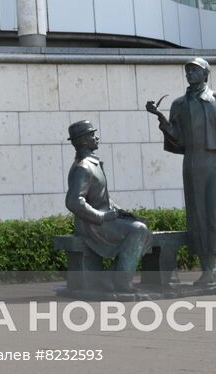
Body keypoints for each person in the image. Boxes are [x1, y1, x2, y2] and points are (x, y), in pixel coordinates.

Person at [146, 57, 216, 287]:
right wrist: (162, 119)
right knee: (198, 218)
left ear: (206, 74)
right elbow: (177, 139)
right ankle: (208, 271)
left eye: (194, 70)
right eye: (187, 71)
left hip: (215, 165)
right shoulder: (179, 104)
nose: (190, 74)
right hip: (192, 165)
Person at [64, 119, 153, 298]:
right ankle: (122, 281)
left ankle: (111, 276)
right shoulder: (84, 167)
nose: (96, 137)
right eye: (92, 135)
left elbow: (101, 197)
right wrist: (101, 217)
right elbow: (73, 201)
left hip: (101, 220)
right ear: (83, 141)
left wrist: (121, 212)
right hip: (92, 225)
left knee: (142, 229)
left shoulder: (92, 164)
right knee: (138, 230)